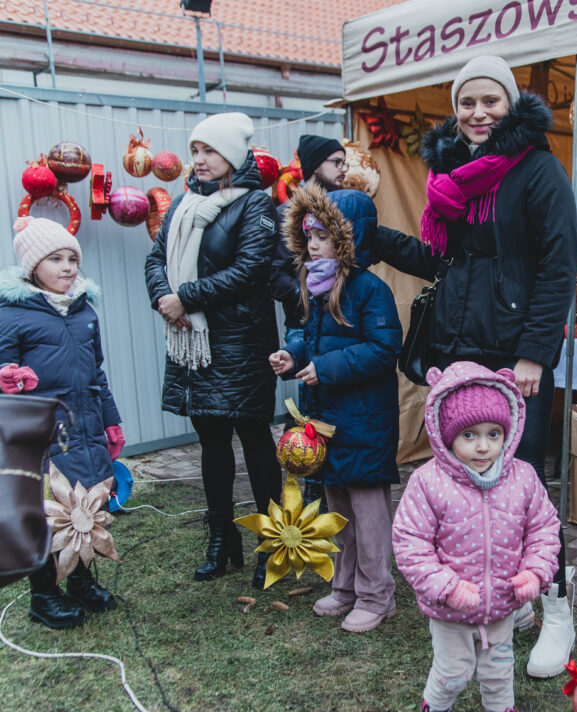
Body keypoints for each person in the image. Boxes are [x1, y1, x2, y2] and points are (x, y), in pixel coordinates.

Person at [371, 54, 577, 678]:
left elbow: (558, 266)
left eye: (491, 100)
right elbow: (445, 262)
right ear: (455, 108)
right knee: (468, 484)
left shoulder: (539, 169)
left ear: (510, 105)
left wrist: (535, 351)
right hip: (459, 349)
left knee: (524, 485)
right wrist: (373, 237)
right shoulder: (449, 171)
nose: (478, 113)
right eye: (467, 102)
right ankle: (497, 601)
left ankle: (556, 605)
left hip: (515, 356)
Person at [144, 112, 282, 589]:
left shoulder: (256, 205)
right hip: (193, 343)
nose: (200, 160)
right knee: (212, 442)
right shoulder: (184, 204)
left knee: (255, 439)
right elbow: (155, 258)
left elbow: (250, 269)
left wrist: (186, 297)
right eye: (195, 151)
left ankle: (272, 542)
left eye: (210, 151)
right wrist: (164, 299)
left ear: (234, 155)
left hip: (241, 341)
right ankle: (222, 539)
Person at [268, 185, 402, 633]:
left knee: (368, 514)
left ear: (348, 240)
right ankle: (345, 587)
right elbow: (310, 337)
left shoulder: (371, 290)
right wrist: (292, 355)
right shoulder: (317, 285)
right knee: (337, 509)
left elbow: (383, 349)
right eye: (308, 236)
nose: (313, 245)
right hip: (326, 420)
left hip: (364, 421)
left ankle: (377, 595)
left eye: (323, 236)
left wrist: (324, 368)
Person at [392, 361, 561, 712]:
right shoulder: (428, 482)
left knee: (499, 672)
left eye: (493, 434)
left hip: (501, 605)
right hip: (451, 610)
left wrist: (535, 572)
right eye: (469, 435)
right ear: (446, 434)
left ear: (508, 432)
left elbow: (544, 528)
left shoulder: (523, 477)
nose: (483, 447)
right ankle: (435, 706)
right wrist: (447, 587)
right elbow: (410, 544)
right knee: (452, 673)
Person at [0, 216, 123, 629]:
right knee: (48, 512)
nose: (67, 267)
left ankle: (80, 580)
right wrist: (4, 376)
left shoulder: (84, 313)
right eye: (55, 259)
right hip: (45, 433)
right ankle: (43, 595)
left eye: (72, 259)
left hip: (86, 427)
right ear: (32, 267)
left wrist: (111, 421)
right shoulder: (13, 315)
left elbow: (97, 373)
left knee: (86, 505)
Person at [269, 134, 348, 511]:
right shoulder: (290, 214)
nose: (343, 168)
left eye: (345, 161)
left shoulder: (344, 207)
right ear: (316, 165)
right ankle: (311, 492)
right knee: (309, 412)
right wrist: (307, 295)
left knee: (337, 407)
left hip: (340, 323)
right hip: (304, 323)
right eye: (336, 161)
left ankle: (332, 489)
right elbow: (274, 272)